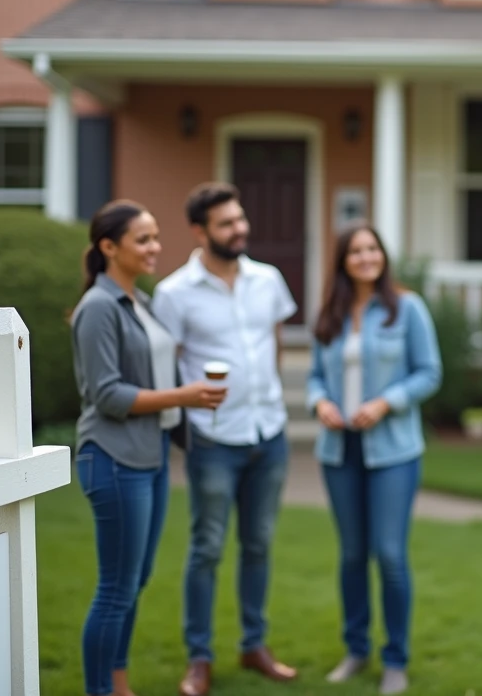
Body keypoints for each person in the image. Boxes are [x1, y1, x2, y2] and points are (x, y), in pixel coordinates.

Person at [71, 200, 228, 696]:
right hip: (114, 458)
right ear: (108, 247)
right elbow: (107, 394)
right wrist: (183, 397)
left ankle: (118, 683)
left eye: (156, 236)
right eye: (143, 239)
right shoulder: (98, 307)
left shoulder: (137, 299)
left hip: (150, 454)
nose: (156, 247)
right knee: (115, 589)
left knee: (133, 581)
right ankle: (101, 689)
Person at [151, 182, 299, 696]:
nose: (240, 230)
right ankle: (199, 657)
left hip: (269, 433)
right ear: (200, 231)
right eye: (226, 224)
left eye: (240, 219)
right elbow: (165, 363)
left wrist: (270, 398)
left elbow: (273, 344)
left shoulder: (268, 279)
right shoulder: (173, 293)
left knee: (258, 545)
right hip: (213, 441)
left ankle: (254, 645)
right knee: (207, 548)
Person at [306, 222, 442, 695]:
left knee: (388, 555)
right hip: (338, 450)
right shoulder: (331, 313)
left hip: (394, 453)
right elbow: (315, 378)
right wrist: (320, 403)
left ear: (382, 256)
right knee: (350, 556)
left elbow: (429, 373)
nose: (366, 257)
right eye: (355, 251)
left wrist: (385, 403)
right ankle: (356, 649)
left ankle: (396, 659)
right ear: (343, 260)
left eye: (372, 249)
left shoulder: (407, 309)